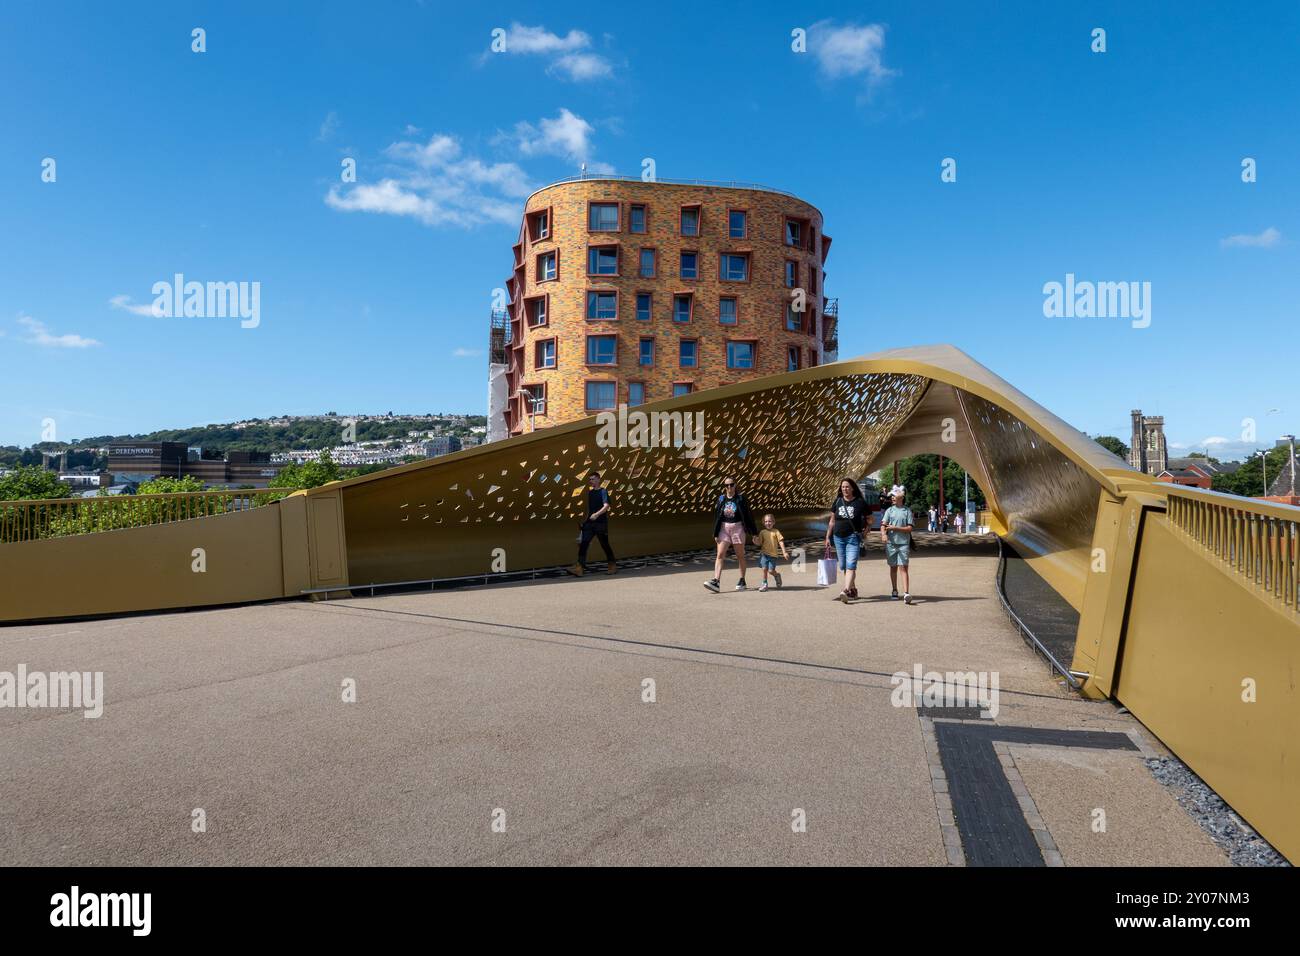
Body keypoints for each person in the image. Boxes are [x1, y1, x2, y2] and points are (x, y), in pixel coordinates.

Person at [704, 477, 758, 592]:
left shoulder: (740, 498)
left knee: (740, 555)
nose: (729, 487)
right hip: (724, 528)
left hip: (737, 528)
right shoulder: (721, 499)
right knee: (720, 554)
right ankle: (716, 581)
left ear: (735, 485)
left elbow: (748, 515)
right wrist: (716, 532)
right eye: (726, 485)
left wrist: (754, 533)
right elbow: (717, 516)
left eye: (731, 484)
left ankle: (742, 579)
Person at [824, 477, 867, 603]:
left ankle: (846, 591)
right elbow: (832, 521)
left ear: (852, 488)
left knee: (851, 565)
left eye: (847, 487)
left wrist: (866, 530)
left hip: (853, 537)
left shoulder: (859, 502)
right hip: (838, 537)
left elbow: (870, 519)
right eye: (843, 487)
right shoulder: (837, 501)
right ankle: (853, 589)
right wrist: (828, 537)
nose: (845, 489)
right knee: (843, 566)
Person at [569, 472, 615, 577]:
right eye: (590, 479)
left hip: (600, 523)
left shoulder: (603, 491)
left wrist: (597, 514)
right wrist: (585, 521)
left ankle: (612, 565)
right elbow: (590, 510)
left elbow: (606, 506)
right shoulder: (590, 493)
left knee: (604, 544)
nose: (591, 481)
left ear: (599, 479)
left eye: (593, 479)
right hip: (590, 523)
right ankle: (579, 568)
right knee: (583, 544)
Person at [881, 485, 915, 604]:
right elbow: (883, 525)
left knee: (903, 567)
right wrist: (883, 534)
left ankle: (906, 593)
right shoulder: (889, 510)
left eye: (895, 495)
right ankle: (894, 590)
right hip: (891, 543)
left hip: (903, 543)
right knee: (893, 567)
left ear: (901, 497)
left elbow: (910, 528)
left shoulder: (907, 511)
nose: (892, 498)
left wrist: (896, 528)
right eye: (892, 496)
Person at [753, 513, 789, 592]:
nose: (768, 523)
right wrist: (755, 541)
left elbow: (781, 542)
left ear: (773, 522)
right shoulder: (762, 532)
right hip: (764, 554)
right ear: (763, 522)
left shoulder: (776, 531)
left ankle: (776, 575)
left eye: (770, 521)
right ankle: (764, 584)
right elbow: (760, 543)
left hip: (773, 555)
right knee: (764, 569)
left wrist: (784, 552)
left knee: (770, 571)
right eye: (766, 521)